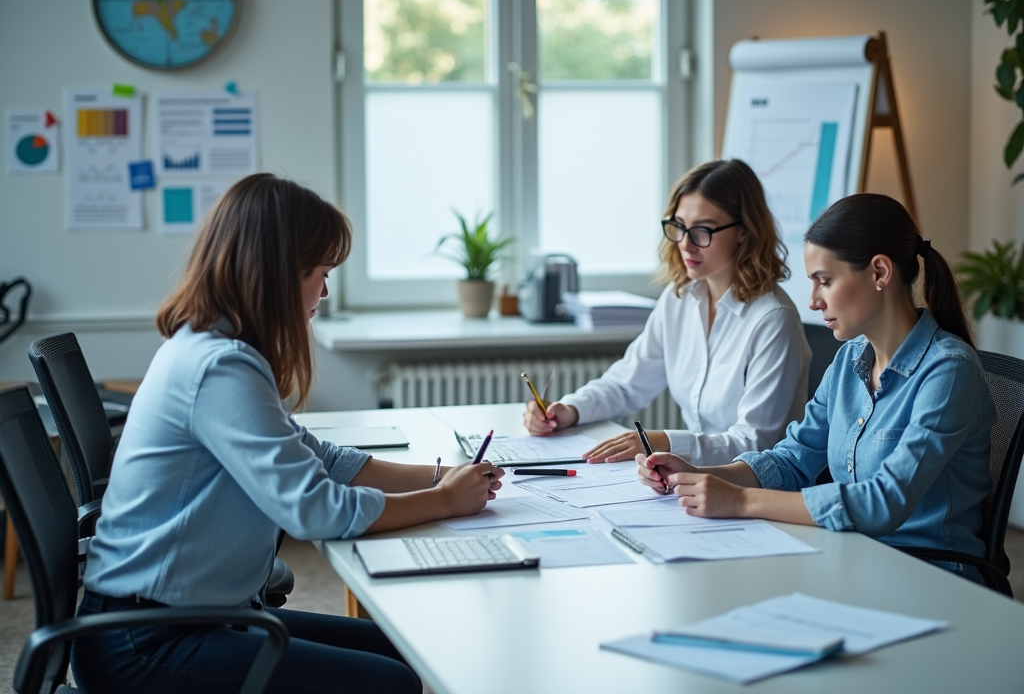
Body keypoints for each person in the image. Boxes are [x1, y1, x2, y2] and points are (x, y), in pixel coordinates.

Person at [71, 174, 504, 694]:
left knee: (409, 648)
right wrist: (443, 502)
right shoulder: (220, 367)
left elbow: (319, 458)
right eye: (319, 272)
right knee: (388, 684)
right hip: (143, 641)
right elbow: (316, 509)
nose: (324, 289)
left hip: (190, 616)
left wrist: (439, 476)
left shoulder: (221, 348)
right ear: (276, 274)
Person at [637, 193, 995, 581]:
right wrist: (704, 473)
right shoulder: (849, 361)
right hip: (851, 560)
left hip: (931, 578)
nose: (812, 302)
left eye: (824, 281)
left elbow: (883, 501)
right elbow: (791, 460)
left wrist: (740, 500)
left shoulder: (948, 371)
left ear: (879, 273)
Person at [523, 158, 811, 466]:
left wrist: (666, 441)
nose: (685, 245)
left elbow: (755, 442)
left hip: (754, 492)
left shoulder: (772, 319)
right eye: (679, 227)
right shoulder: (680, 298)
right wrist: (570, 410)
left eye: (703, 230)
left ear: (744, 231)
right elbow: (626, 383)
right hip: (694, 482)